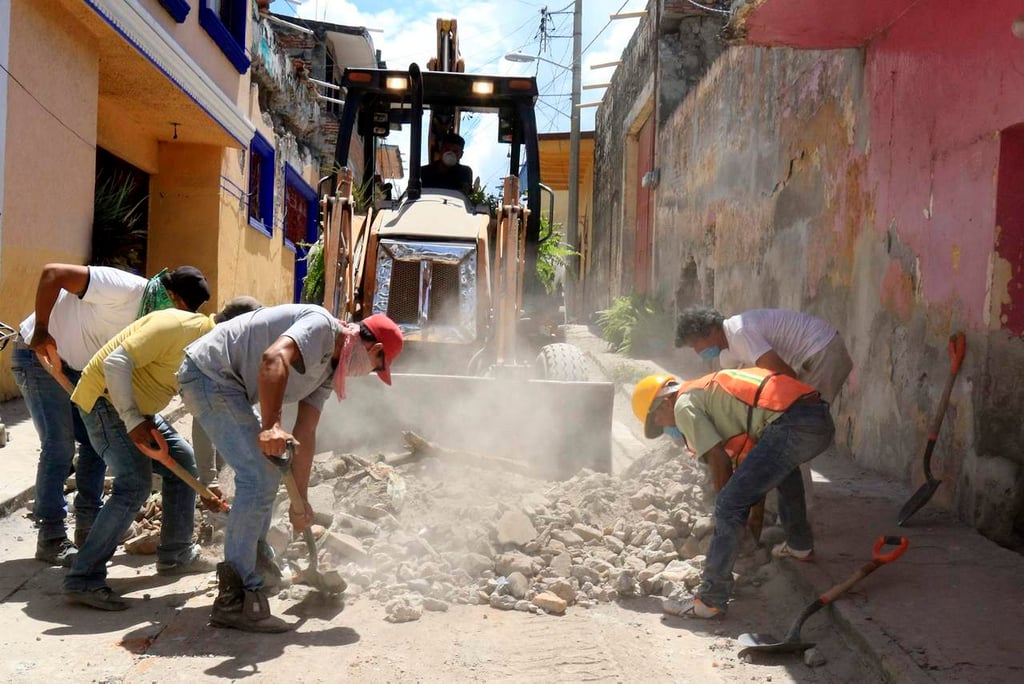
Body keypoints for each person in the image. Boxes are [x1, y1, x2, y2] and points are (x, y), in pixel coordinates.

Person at [176, 305, 403, 632]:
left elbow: (306, 433)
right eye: (375, 369)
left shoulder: (328, 372)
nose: (366, 375)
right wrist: (271, 425)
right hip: (210, 374)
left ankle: (258, 564)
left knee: (266, 471)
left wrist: (302, 502)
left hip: (229, 386)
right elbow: (273, 358)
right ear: (375, 349)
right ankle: (236, 598)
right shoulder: (323, 328)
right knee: (256, 476)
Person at [62, 297, 262, 611]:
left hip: (139, 410)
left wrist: (208, 481)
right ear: (236, 328)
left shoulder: (212, 351)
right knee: (133, 484)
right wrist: (132, 421)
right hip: (106, 400)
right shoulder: (176, 325)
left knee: (182, 460)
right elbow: (115, 362)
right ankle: (83, 577)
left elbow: (203, 416)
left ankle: (176, 554)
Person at [11, 263, 210, 567]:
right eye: (180, 307)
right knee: (59, 445)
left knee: (94, 443)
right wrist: (40, 329)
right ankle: (51, 538)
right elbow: (53, 273)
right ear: (169, 294)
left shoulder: (155, 319)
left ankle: (89, 527)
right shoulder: (123, 288)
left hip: (80, 370)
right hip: (39, 355)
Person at [632, 368, 834, 618]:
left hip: (792, 424)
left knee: (728, 502)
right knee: (785, 472)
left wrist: (726, 509)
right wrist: (753, 526)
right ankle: (799, 544)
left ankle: (709, 601)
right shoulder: (706, 395)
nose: (662, 426)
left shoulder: (683, 405)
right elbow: (755, 471)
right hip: (816, 418)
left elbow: (719, 459)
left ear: (664, 402)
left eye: (656, 421)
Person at [675, 306, 852, 508]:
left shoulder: (740, 334)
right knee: (787, 432)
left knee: (796, 433)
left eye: (696, 344)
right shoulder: (730, 349)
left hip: (822, 354)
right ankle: (787, 509)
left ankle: (800, 515)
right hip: (818, 352)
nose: (698, 352)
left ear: (712, 330)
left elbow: (786, 377)